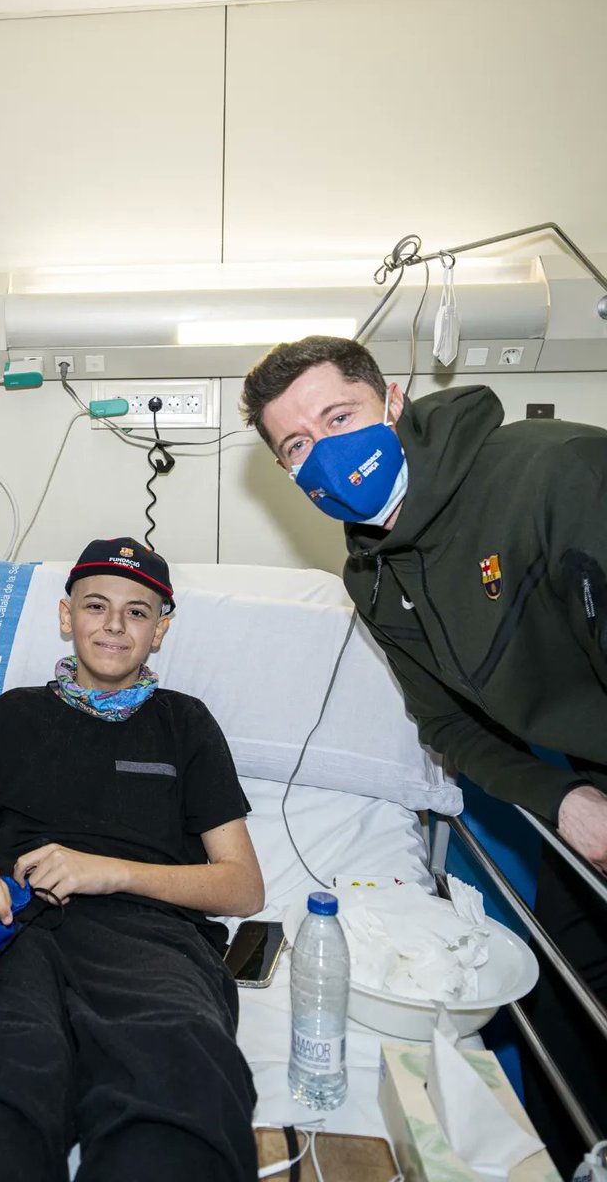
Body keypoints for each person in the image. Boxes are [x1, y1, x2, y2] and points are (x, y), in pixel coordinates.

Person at [240, 334, 607, 1171]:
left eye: (341, 417)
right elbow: (446, 728)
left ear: (394, 402)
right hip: (589, 787)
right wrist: (563, 801)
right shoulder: (371, 575)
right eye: (298, 445)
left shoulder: (556, 478)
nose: (327, 453)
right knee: (566, 1024)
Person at [0, 537, 263, 1182]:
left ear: (160, 631)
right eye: (95, 605)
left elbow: (243, 888)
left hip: (150, 937)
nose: (113, 624)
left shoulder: (185, 725)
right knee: (2, 1074)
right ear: (64, 616)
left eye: (137, 612)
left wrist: (111, 871)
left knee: (178, 1066)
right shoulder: (10, 716)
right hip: (18, 931)